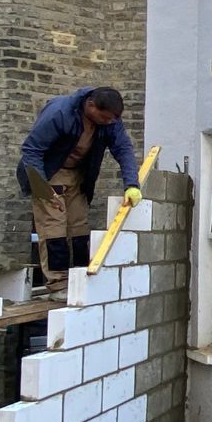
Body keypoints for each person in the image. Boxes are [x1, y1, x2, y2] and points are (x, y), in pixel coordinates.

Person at [17, 86, 139, 292]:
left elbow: (123, 149)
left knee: (79, 226)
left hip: (78, 175)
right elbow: (32, 150)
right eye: (105, 118)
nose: (109, 122)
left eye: (112, 119)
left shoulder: (111, 121)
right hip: (48, 171)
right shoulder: (60, 112)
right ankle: (59, 283)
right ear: (90, 105)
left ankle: (80, 280)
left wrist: (132, 184)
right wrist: (43, 190)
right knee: (53, 226)